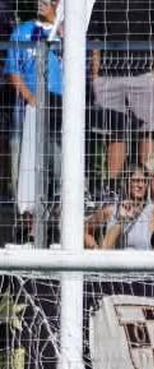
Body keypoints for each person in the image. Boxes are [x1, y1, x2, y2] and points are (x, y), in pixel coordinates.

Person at [87, 0, 154, 188]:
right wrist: (96, 74)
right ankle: (115, 191)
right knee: (114, 135)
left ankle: (152, 190)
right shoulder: (102, 2)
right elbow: (95, 38)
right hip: (109, 75)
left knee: (147, 133)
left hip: (143, 74)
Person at [6, 0, 63, 223]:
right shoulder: (22, 32)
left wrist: (56, 25)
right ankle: (27, 225)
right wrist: (30, 98)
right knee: (24, 170)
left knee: (58, 168)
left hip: (59, 115)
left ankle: (57, 225)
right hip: (27, 113)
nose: (42, 4)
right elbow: (13, 71)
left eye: (48, 0)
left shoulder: (66, 34)